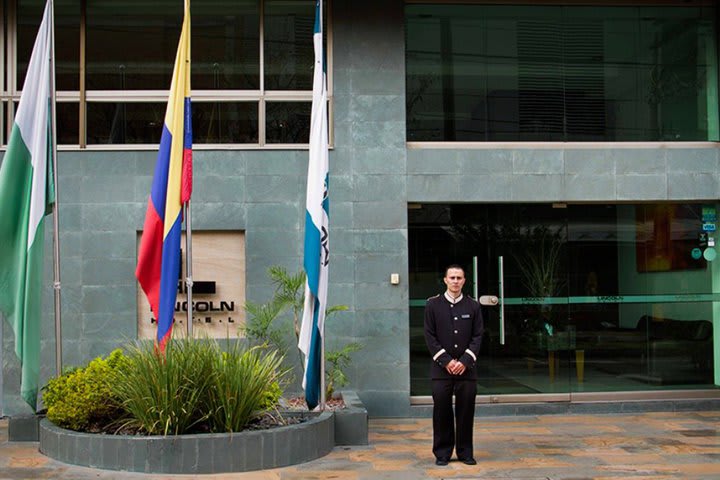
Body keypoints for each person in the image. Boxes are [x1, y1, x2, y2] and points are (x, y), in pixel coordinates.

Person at [424, 264, 484, 466]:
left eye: (459, 278)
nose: (456, 281)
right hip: (441, 370)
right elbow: (429, 336)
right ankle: (442, 453)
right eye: (452, 277)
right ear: (445, 280)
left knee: (466, 412)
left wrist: (465, 361)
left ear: (464, 281)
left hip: (467, 370)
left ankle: (466, 452)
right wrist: (447, 361)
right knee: (441, 411)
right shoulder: (432, 305)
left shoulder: (473, 306)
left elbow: (477, 336)